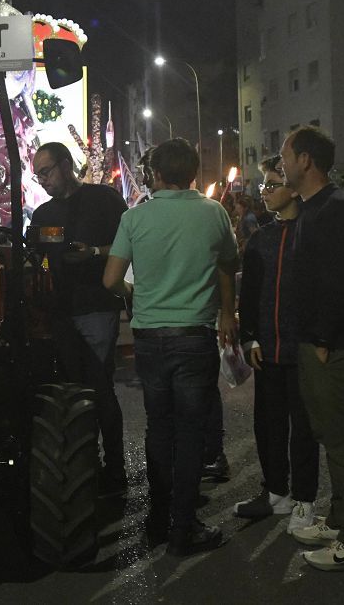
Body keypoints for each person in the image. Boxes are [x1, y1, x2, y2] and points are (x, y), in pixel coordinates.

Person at [102, 138, 238, 557]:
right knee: (192, 431)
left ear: (155, 174)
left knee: (159, 427)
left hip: (149, 338)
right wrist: (227, 314)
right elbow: (227, 265)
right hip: (194, 336)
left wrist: (136, 294)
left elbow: (110, 281)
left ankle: (157, 520)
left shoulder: (134, 218)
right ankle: (184, 526)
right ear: (193, 174)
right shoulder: (213, 212)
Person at [279, 125, 344, 571]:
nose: (280, 164)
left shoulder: (335, 211)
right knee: (332, 436)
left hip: (333, 347)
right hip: (321, 344)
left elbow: (338, 285)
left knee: (342, 440)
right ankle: (340, 521)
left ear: (305, 160)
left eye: (285, 155)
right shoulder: (316, 208)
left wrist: (321, 340)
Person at [30, 141, 128, 497]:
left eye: (47, 171)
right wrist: (43, 266)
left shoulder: (104, 199)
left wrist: (94, 253)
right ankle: (82, 466)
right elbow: (37, 255)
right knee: (71, 391)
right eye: (37, 174)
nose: (42, 179)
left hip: (96, 305)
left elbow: (126, 244)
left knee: (99, 386)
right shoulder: (42, 215)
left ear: (66, 164)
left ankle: (114, 468)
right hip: (59, 310)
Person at [234, 155, 319, 534]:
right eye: (263, 185)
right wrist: (248, 335)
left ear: (293, 186)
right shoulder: (260, 239)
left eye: (272, 184)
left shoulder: (314, 233)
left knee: (303, 428)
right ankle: (276, 494)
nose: (264, 192)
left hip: (303, 350)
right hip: (266, 348)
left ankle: (304, 501)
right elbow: (248, 296)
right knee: (268, 424)